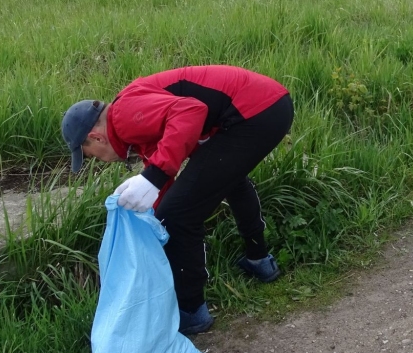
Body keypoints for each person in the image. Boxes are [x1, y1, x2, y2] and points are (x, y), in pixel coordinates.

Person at [61, 65, 294, 334]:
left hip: (252, 112)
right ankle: (259, 261)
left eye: (90, 155)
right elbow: (167, 174)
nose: (98, 160)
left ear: (95, 137)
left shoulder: (124, 117)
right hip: (268, 106)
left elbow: (190, 111)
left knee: (178, 216)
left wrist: (154, 178)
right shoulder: (131, 118)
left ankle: (191, 311)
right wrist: (147, 220)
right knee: (226, 180)